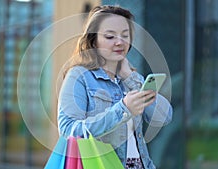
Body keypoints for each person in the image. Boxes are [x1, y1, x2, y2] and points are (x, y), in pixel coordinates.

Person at [57, 5, 173, 169]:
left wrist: (131, 78)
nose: (120, 42)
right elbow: (68, 131)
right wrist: (123, 109)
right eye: (110, 36)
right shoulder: (79, 76)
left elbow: (163, 117)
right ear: (94, 40)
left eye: (125, 35)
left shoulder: (130, 76)